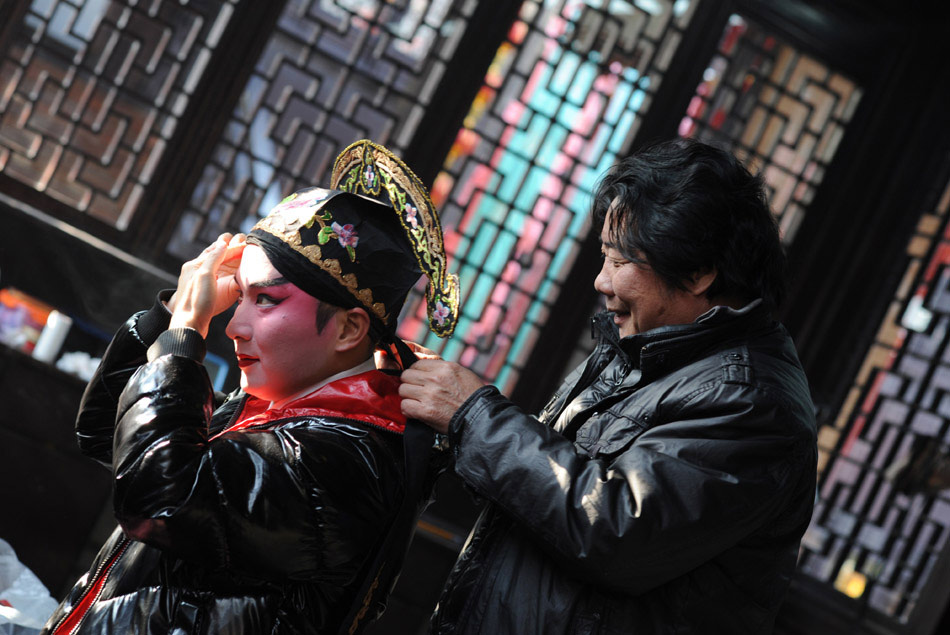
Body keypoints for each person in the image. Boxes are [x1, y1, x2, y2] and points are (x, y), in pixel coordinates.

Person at [399, 137, 818, 633]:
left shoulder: (751, 403)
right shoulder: (644, 350)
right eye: (603, 256)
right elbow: (546, 491)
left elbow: (617, 528)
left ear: (701, 271)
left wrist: (474, 418)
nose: (601, 281)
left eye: (620, 262)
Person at [42, 140, 459, 634]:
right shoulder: (275, 408)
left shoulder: (349, 459)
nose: (233, 325)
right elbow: (102, 432)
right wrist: (169, 317)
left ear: (349, 329)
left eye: (265, 300)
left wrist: (185, 339)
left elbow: (161, 497)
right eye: (240, 294)